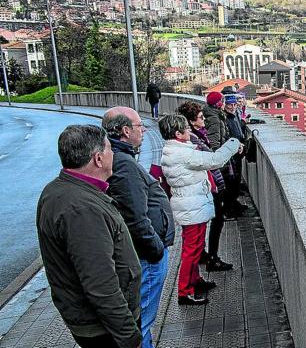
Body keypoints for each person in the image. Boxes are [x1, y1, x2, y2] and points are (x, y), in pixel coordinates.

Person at [36, 125, 142, 348]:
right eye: (110, 149)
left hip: (97, 323)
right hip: (105, 329)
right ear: (98, 159)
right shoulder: (81, 209)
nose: (114, 154)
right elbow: (100, 284)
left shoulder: (60, 189)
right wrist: (129, 335)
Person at [102, 107, 175, 348]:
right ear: (125, 131)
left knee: (142, 320)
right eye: (138, 126)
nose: (143, 130)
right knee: (141, 321)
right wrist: (155, 249)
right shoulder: (122, 164)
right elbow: (135, 218)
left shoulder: (120, 158)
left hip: (144, 254)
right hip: (146, 257)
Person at [159, 114, 241, 305]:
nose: (190, 131)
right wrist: (234, 142)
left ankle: (194, 281)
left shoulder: (172, 151)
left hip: (190, 205)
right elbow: (216, 160)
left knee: (194, 247)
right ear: (178, 134)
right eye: (186, 128)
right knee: (191, 249)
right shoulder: (183, 154)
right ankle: (184, 291)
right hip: (192, 207)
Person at [177, 101, 234, 271]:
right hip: (206, 185)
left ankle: (204, 255)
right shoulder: (194, 139)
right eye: (201, 118)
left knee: (205, 224)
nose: (204, 120)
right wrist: (233, 145)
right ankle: (212, 258)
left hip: (204, 185)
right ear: (192, 122)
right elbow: (211, 159)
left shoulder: (196, 135)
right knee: (216, 220)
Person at [223, 93, 247, 215]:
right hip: (232, 152)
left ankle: (234, 204)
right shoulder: (226, 118)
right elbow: (227, 135)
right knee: (231, 181)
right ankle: (230, 208)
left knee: (236, 178)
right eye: (229, 105)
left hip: (237, 150)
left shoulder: (234, 116)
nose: (232, 107)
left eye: (234, 104)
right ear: (224, 105)